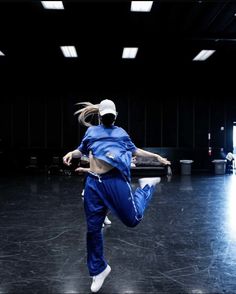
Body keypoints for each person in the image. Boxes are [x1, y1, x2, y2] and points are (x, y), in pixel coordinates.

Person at [63, 99, 170, 293]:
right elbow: (81, 150)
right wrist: (72, 152)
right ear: (100, 116)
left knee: (133, 219)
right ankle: (99, 269)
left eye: (111, 115)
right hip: (94, 183)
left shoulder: (121, 133)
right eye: (106, 116)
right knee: (93, 229)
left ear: (115, 116)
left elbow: (135, 150)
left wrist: (156, 157)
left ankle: (146, 187)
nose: (109, 118)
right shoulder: (91, 132)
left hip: (115, 181)